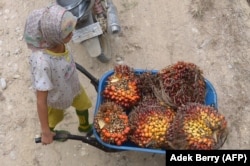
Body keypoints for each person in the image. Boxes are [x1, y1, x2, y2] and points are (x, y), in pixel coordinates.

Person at [24, 4, 92, 145]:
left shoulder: (57, 41)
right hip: (55, 97)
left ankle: (84, 126)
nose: (72, 34)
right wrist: (45, 132)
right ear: (54, 37)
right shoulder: (43, 63)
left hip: (72, 86)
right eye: (68, 34)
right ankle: (50, 132)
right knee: (54, 118)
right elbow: (41, 100)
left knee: (83, 105)